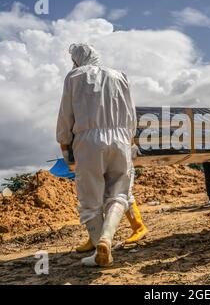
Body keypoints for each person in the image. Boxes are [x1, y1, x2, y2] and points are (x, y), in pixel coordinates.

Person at [57, 43, 140, 266]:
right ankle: (106, 238)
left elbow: (66, 113)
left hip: (88, 141)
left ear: (77, 60)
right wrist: (129, 140)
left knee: (90, 200)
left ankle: (101, 251)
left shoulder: (74, 76)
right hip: (121, 139)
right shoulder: (120, 76)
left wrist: (64, 144)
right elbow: (131, 113)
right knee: (119, 194)